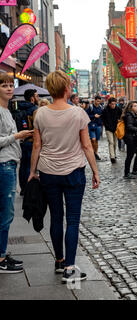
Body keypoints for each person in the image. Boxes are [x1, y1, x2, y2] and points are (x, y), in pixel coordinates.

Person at [28, 70, 100, 283]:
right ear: (67, 88)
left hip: (49, 172)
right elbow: (87, 145)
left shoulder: (40, 114)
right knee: (73, 220)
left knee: (56, 218)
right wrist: (95, 170)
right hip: (73, 173)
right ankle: (70, 267)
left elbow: (37, 145)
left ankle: (59, 260)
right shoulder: (78, 113)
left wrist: (33, 171)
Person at [0, 72, 33, 273]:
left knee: (5, 212)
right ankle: (1, 258)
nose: (9, 88)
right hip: (4, 165)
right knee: (6, 212)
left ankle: (2, 253)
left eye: (10, 85)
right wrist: (16, 136)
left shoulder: (7, 110)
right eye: (4, 85)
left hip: (9, 164)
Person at [17, 89, 39, 196]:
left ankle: (23, 188)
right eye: (36, 96)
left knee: (23, 165)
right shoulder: (35, 109)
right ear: (32, 98)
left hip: (21, 141)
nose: (38, 98)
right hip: (32, 140)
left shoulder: (19, 109)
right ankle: (28, 188)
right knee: (31, 166)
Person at [123, 101, 137, 179]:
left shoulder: (134, 114)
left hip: (136, 138)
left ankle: (135, 170)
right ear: (131, 107)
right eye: (135, 106)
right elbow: (129, 127)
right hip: (130, 138)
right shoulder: (129, 115)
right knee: (130, 155)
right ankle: (126, 173)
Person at [101, 97, 122, 163]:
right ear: (109, 104)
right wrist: (106, 125)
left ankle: (114, 154)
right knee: (111, 142)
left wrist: (119, 120)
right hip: (108, 129)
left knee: (115, 143)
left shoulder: (118, 109)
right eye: (112, 104)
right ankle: (112, 157)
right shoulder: (105, 110)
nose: (113, 105)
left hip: (116, 129)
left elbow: (121, 116)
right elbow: (103, 119)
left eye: (114, 104)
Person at [86, 96, 103, 160]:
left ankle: (95, 153)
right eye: (97, 101)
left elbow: (102, 115)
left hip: (98, 125)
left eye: (99, 101)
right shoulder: (90, 107)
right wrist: (93, 116)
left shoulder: (101, 107)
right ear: (95, 100)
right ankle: (93, 153)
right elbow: (86, 115)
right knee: (93, 139)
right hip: (91, 125)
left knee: (96, 140)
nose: (98, 102)